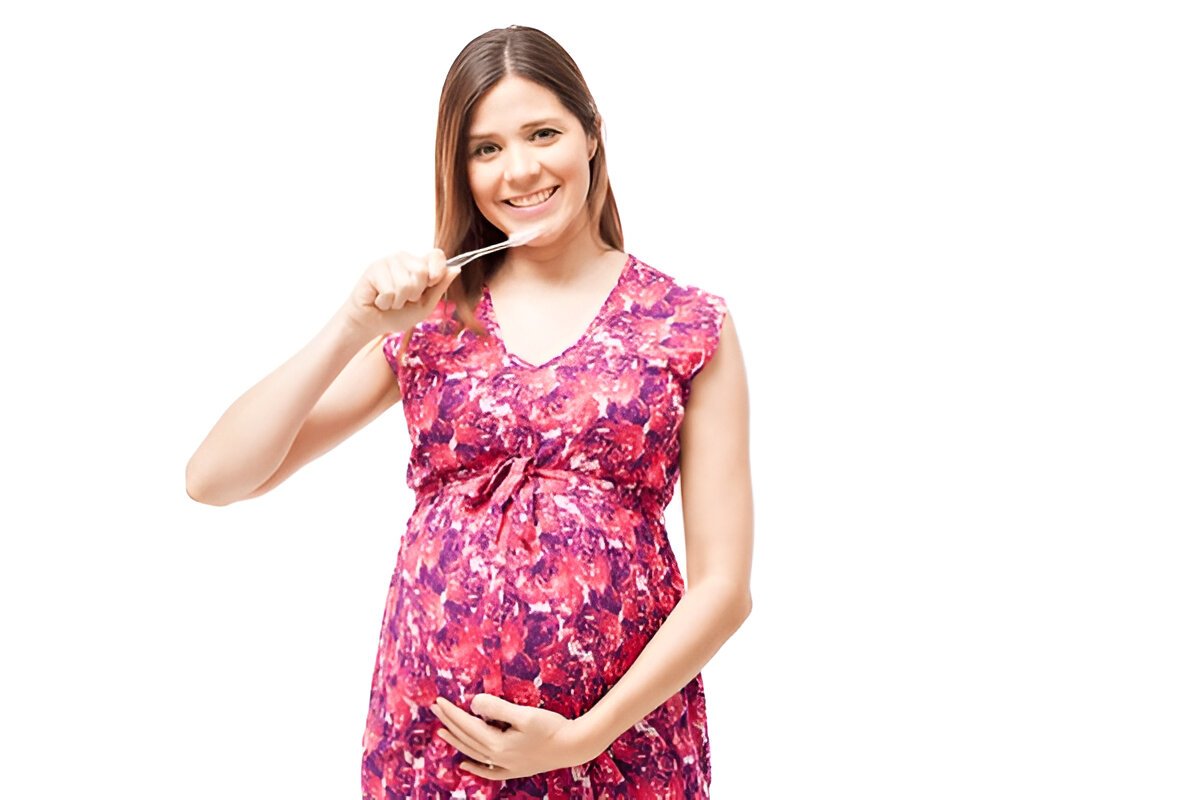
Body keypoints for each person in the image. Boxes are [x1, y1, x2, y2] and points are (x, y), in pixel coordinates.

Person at [186, 24, 753, 799]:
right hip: (433, 753)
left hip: (622, 749)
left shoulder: (686, 324)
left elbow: (725, 587)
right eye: (485, 148)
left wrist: (581, 738)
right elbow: (215, 478)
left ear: (591, 133)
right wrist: (353, 324)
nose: (519, 169)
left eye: (542, 133)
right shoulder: (432, 318)